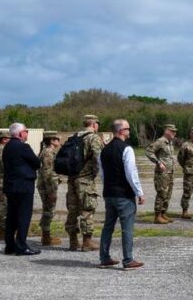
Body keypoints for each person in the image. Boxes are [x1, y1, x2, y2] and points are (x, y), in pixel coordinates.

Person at [97, 119, 145, 270]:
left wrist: (108, 187)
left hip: (109, 193)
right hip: (123, 194)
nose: (129, 131)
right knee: (127, 228)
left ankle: (104, 257)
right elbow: (131, 173)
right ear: (120, 131)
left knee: (108, 227)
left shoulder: (104, 150)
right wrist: (139, 192)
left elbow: (102, 173)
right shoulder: (127, 149)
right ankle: (128, 260)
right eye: (127, 128)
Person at [65, 114, 104, 251]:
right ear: (94, 124)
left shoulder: (74, 137)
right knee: (87, 210)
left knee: (72, 210)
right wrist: (96, 173)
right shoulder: (93, 138)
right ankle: (87, 242)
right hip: (85, 180)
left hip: (71, 179)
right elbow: (99, 158)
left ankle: (73, 241)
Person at [2, 123, 41, 256]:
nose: (27, 134)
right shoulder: (23, 147)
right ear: (20, 134)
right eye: (26, 131)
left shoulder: (7, 146)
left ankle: (10, 245)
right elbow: (37, 163)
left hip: (10, 186)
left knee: (11, 216)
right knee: (24, 216)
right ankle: (21, 246)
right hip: (23, 186)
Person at [145, 124, 177, 224]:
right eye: (172, 131)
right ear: (167, 131)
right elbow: (149, 151)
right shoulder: (160, 141)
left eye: (175, 131)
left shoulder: (169, 142)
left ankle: (163, 213)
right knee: (162, 194)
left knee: (168, 194)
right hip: (162, 173)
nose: (174, 133)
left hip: (170, 172)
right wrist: (158, 162)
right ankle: (157, 216)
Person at [37, 131, 63, 246]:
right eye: (57, 139)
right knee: (49, 210)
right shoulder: (48, 152)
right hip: (49, 185)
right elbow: (48, 174)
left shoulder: (46, 151)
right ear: (52, 140)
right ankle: (46, 237)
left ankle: (45, 235)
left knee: (47, 209)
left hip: (46, 184)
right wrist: (51, 191)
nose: (59, 141)